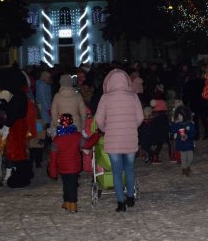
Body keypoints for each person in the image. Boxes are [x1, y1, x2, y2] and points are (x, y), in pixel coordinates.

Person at [95, 69, 144, 212]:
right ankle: (130, 197)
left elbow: (98, 119)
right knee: (129, 169)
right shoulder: (133, 96)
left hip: (113, 140)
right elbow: (140, 118)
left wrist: (105, 129)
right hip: (130, 138)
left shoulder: (105, 97)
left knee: (116, 171)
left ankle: (121, 203)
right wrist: (131, 126)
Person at [48, 113, 97, 214]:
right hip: (74, 166)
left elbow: (53, 158)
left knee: (66, 184)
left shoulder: (56, 139)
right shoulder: (77, 136)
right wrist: (96, 136)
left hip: (63, 167)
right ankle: (72, 204)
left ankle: (67, 202)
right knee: (72, 185)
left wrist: (53, 172)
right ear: (71, 122)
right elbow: (87, 145)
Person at [169, 105, 196, 176]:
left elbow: (193, 132)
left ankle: (188, 165)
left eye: (181, 116)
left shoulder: (189, 124)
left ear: (185, 115)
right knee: (183, 157)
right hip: (181, 144)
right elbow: (172, 130)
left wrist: (188, 136)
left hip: (189, 144)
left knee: (190, 157)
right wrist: (174, 123)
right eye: (178, 116)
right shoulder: (177, 124)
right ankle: (184, 169)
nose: (179, 117)